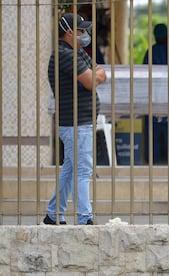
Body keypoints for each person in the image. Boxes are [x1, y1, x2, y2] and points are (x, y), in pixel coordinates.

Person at [44, 13, 107, 225]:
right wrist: (91, 77)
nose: (84, 35)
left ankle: (53, 214)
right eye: (81, 31)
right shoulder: (64, 55)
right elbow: (92, 80)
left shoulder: (76, 52)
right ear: (70, 32)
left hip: (79, 122)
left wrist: (92, 76)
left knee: (71, 169)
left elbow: (99, 72)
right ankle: (84, 217)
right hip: (75, 122)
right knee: (83, 170)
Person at [143, 23, 169, 163]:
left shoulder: (152, 51)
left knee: (153, 130)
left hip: (155, 96)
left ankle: (153, 159)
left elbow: (144, 73)